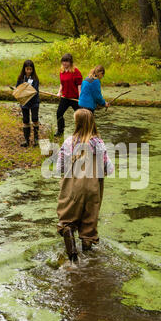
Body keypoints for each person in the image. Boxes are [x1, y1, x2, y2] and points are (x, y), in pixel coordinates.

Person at [56, 108, 114, 263]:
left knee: (66, 217)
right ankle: (88, 262)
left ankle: (73, 257)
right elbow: (108, 169)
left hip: (73, 185)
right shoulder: (99, 143)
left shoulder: (70, 141)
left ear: (77, 123)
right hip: (93, 187)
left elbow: (59, 167)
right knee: (89, 222)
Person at [55, 53, 83, 137]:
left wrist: (80, 97)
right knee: (59, 113)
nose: (64, 63)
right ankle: (60, 131)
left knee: (80, 116)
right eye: (63, 61)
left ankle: (81, 133)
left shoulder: (76, 71)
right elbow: (62, 84)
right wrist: (59, 92)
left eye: (66, 61)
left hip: (75, 98)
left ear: (70, 62)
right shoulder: (62, 71)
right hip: (65, 97)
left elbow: (79, 85)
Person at [16, 60, 40, 147]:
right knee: (25, 120)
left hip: (34, 102)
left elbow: (35, 90)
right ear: (24, 69)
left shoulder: (35, 79)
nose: (29, 71)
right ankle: (27, 140)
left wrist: (26, 90)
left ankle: (36, 140)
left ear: (33, 69)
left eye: (30, 69)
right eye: (27, 69)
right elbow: (17, 88)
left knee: (34, 118)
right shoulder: (21, 78)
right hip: (24, 102)